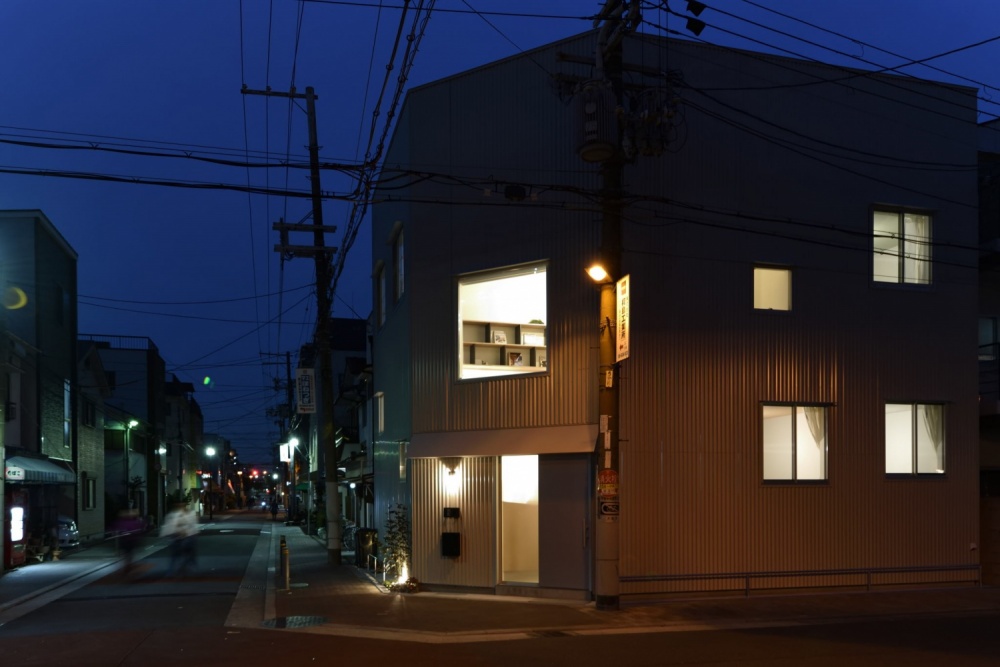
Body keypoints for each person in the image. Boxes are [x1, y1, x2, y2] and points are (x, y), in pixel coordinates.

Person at [161, 502, 199, 577]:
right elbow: (171, 526)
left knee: (182, 553)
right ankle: (178, 569)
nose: (181, 508)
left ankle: (175, 570)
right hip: (179, 537)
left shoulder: (187, 514)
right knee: (181, 554)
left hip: (186, 537)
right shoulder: (174, 515)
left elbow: (192, 526)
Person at [112, 509, 145, 580]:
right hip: (131, 540)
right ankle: (128, 568)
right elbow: (141, 528)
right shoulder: (135, 521)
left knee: (126, 555)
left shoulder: (120, 522)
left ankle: (126, 567)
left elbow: (115, 528)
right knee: (129, 555)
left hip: (125, 540)